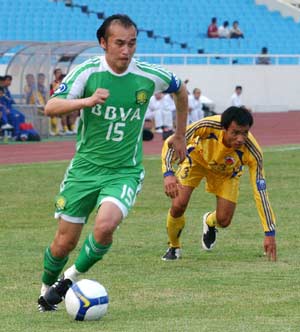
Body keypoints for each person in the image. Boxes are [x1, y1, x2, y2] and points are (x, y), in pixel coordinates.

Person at [37, 14, 188, 312]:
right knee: (63, 244)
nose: (126, 51)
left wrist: (180, 135)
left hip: (124, 171)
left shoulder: (147, 75)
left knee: (105, 226)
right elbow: (50, 107)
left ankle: (70, 279)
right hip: (84, 170)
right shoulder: (87, 72)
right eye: (119, 43)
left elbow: (180, 90)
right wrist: (86, 101)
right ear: (103, 43)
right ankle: (46, 288)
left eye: (132, 43)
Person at [161, 106, 276, 262]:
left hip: (227, 173)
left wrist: (269, 233)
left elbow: (260, 192)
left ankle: (210, 221)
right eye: (235, 133)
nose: (240, 139)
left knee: (224, 221)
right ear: (224, 128)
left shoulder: (253, 152)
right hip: (197, 160)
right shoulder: (207, 125)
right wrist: (168, 173)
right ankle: (174, 247)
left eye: (245, 133)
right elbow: (173, 140)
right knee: (178, 205)